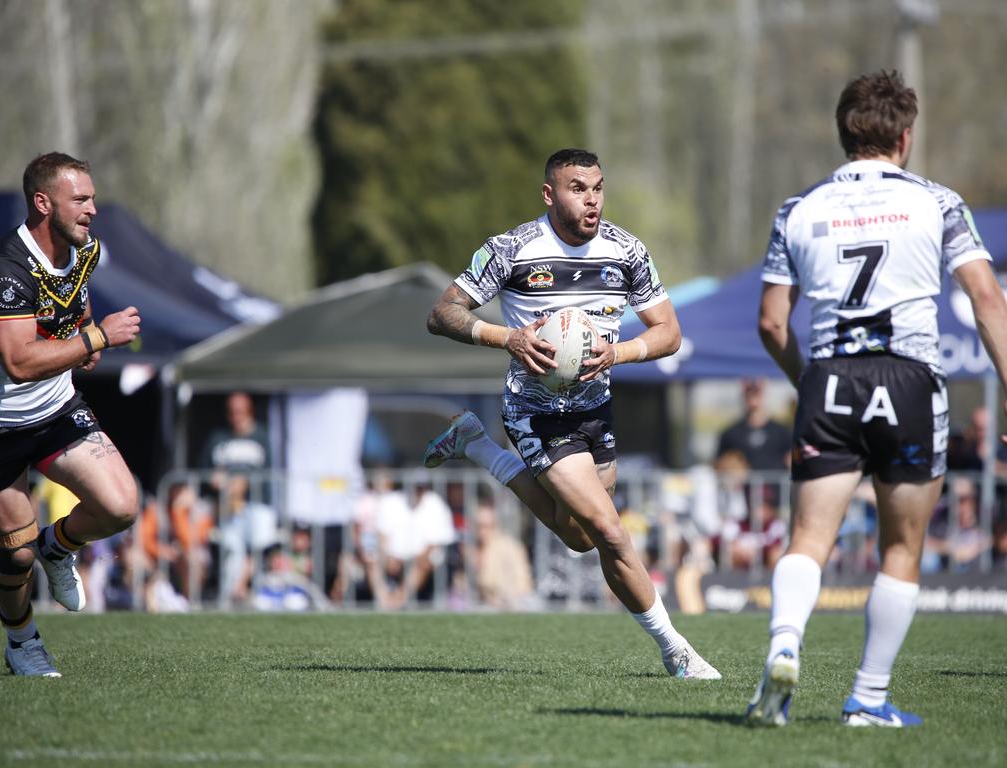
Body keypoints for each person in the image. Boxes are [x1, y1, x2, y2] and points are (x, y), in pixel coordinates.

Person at [746, 71, 1007, 727]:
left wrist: (807, 379)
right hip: (910, 381)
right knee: (901, 548)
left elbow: (772, 324)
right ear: (905, 136)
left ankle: (783, 647)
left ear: (843, 134)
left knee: (808, 538)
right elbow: (986, 302)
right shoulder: (938, 202)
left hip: (831, 378)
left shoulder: (798, 208)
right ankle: (867, 697)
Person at [423, 148, 719, 679]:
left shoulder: (626, 250)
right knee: (609, 530)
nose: (592, 200)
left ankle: (476, 443)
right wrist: (506, 337)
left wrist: (619, 352)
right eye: (578, 188)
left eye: (598, 188)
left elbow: (669, 332)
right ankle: (678, 651)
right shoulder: (512, 249)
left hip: (596, 410)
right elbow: (442, 313)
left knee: (579, 537)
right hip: (535, 413)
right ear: (549, 194)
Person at [0, 152, 142, 676]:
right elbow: (20, 361)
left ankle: (60, 545)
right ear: (43, 202)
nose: (93, 208)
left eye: (92, 197)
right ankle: (22, 641)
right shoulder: (5, 268)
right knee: (15, 558)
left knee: (120, 506)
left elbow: (77, 295)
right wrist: (97, 337)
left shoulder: (83, 249)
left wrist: (85, 336)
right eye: (82, 199)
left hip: (55, 410)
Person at [199, 391, 276, 604]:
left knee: (261, 543)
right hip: (227, 507)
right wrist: (215, 480)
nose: (236, 416)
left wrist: (243, 482)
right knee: (231, 551)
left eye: (241, 411)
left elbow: (268, 471)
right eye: (232, 412)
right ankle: (232, 595)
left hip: (257, 503)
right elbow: (203, 471)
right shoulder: (219, 438)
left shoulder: (261, 436)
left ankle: (242, 587)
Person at [715, 378, 791, 471]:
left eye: (756, 391)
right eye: (749, 392)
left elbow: (793, 459)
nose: (753, 397)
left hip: (775, 485)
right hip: (741, 485)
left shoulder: (782, 432)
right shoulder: (730, 433)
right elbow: (719, 463)